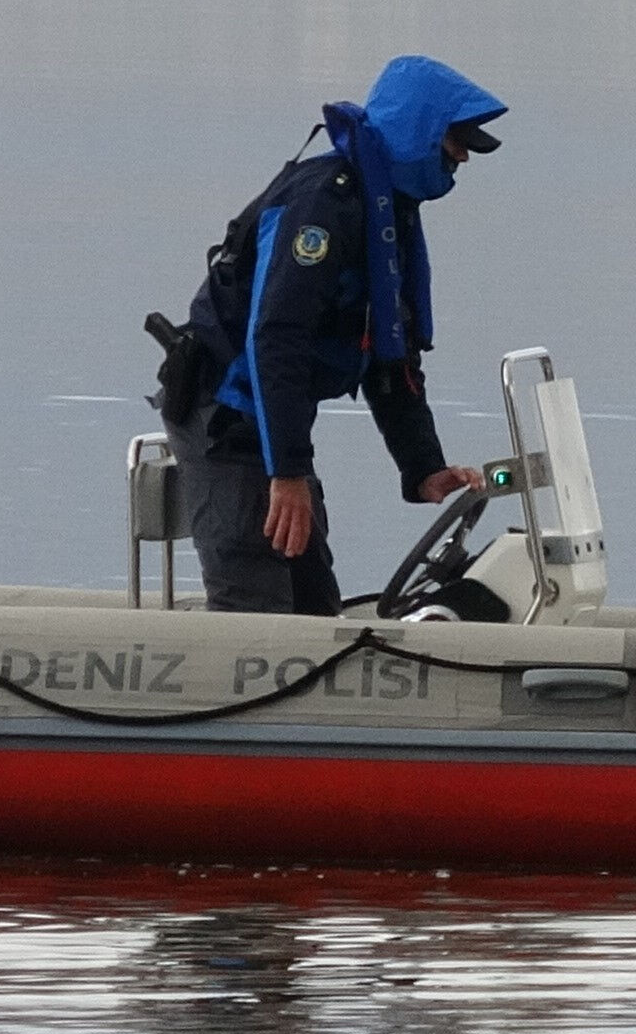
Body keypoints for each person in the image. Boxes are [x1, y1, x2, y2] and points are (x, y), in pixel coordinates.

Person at [160, 54, 506, 615]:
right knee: (258, 602)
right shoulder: (323, 203)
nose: (463, 156)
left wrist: (423, 468)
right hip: (224, 417)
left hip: (271, 423)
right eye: (455, 140)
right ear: (418, 132)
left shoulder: (385, 211)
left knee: (314, 603)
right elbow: (277, 336)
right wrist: (288, 470)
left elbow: (392, 359)